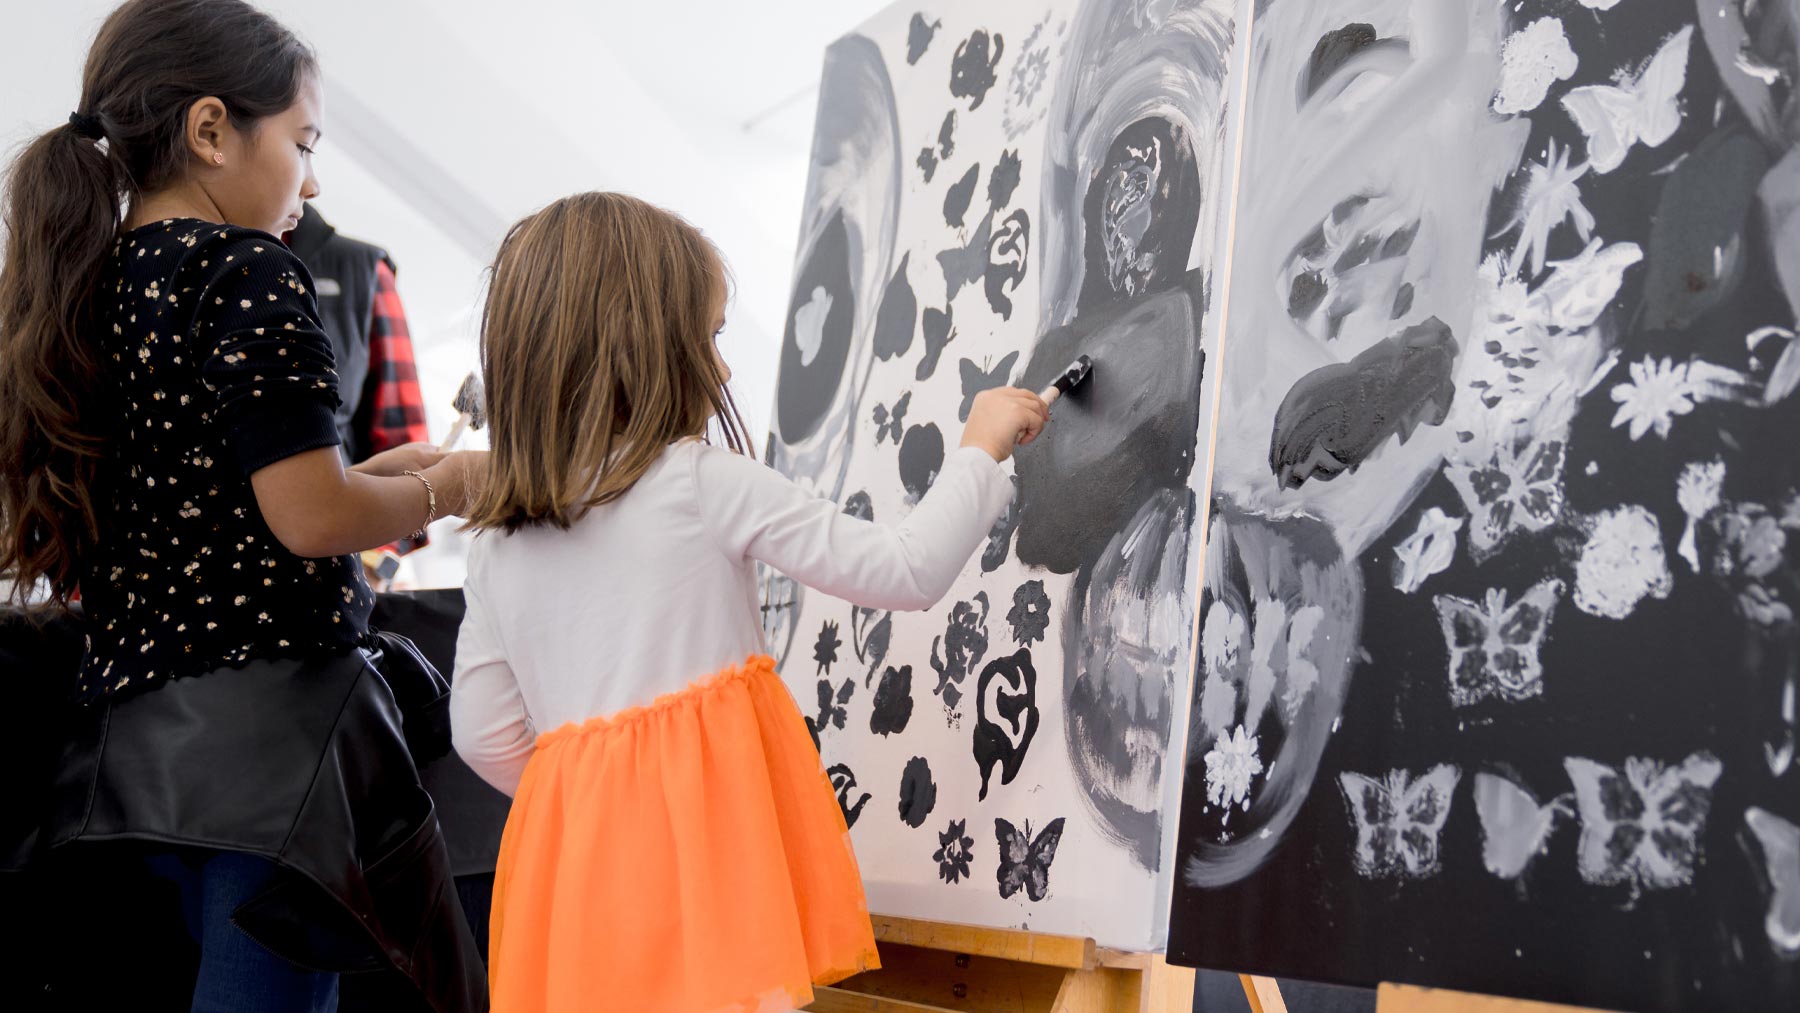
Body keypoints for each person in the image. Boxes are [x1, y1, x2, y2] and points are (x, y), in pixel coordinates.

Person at [449, 191, 1049, 1012]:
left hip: (583, 902)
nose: (724, 367)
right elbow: (904, 571)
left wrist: (599, 799)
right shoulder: (697, 484)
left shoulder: (495, 543)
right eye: (711, 337)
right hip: (717, 883)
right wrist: (980, 449)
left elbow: (481, 734)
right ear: (643, 344)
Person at [0, 2, 487, 1010]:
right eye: (303, 144)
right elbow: (308, 519)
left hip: (129, 766)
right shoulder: (248, 269)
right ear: (212, 129)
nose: (312, 184)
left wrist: (394, 466)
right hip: (271, 771)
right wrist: (456, 481)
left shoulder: (86, 285)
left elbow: (214, 489)